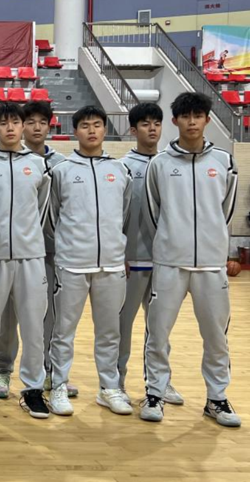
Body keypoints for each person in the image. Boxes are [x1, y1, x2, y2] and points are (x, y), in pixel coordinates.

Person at [141, 92, 240, 427]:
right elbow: (154, 213)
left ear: (208, 120)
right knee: (158, 332)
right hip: (170, 263)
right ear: (176, 121)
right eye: (186, 116)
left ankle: (216, 397)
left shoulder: (224, 162)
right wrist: (171, 242)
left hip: (211, 265)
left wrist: (214, 244)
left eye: (198, 116)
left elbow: (225, 212)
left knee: (216, 337)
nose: (192, 122)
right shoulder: (159, 164)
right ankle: (155, 392)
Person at [47, 105, 133, 417]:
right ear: (75, 131)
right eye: (85, 125)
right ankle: (58, 385)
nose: (92, 130)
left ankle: (109, 387)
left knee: (110, 332)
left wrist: (116, 247)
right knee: (63, 331)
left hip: (111, 264)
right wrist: (66, 247)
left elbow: (124, 213)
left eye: (97, 124)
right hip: (72, 263)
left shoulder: (120, 170)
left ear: (105, 129)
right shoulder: (61, 171)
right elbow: (53, 215)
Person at [0, 102, 51, 419]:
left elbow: (42, 209)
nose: (10, 128)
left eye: (15, 122)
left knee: (33, 326)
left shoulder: (40, 166)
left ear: (23, 125)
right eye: (3, 123)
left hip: (31, 257)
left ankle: (32, 389)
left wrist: (28, 239)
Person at [0, 101, 72, 399]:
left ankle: (49, 371)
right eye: (30, 121)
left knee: (48, 316)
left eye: (43, 122)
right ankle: (3, 368)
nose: (36, 127)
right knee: (8, 316)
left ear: (51, 126)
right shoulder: (2, 161)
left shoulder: (61, 164)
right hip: (14, 251)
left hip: (54, 252)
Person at [117, 103, 184, 406]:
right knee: (122, 327)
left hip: (165, 260)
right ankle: (115, 381)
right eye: (145, 124)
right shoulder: (122, 167)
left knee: (159, 328)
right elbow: (116, 215)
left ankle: (159, 382)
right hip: (131, 260)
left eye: (156, 123)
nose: (152, 128)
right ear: (133, 130)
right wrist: (120, 253)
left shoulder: (171, 164)